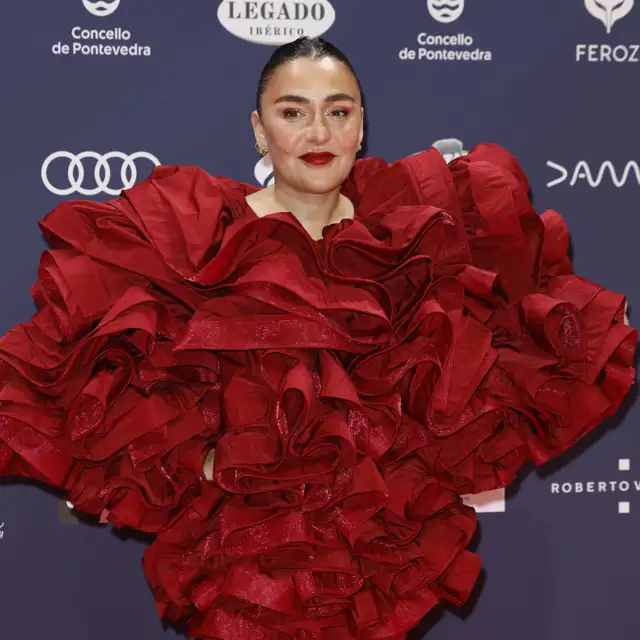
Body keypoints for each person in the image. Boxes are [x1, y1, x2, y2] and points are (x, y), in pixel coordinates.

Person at [0, 36, 635, 639]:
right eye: (293, 111)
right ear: (258, 128)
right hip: (244, 563)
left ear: (362, 125)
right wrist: (199, 462)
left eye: (338, 111)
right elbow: (81, 385)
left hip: (370, 561)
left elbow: (505, 349)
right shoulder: (192, 244)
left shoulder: (415, 245)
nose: (318, 133)